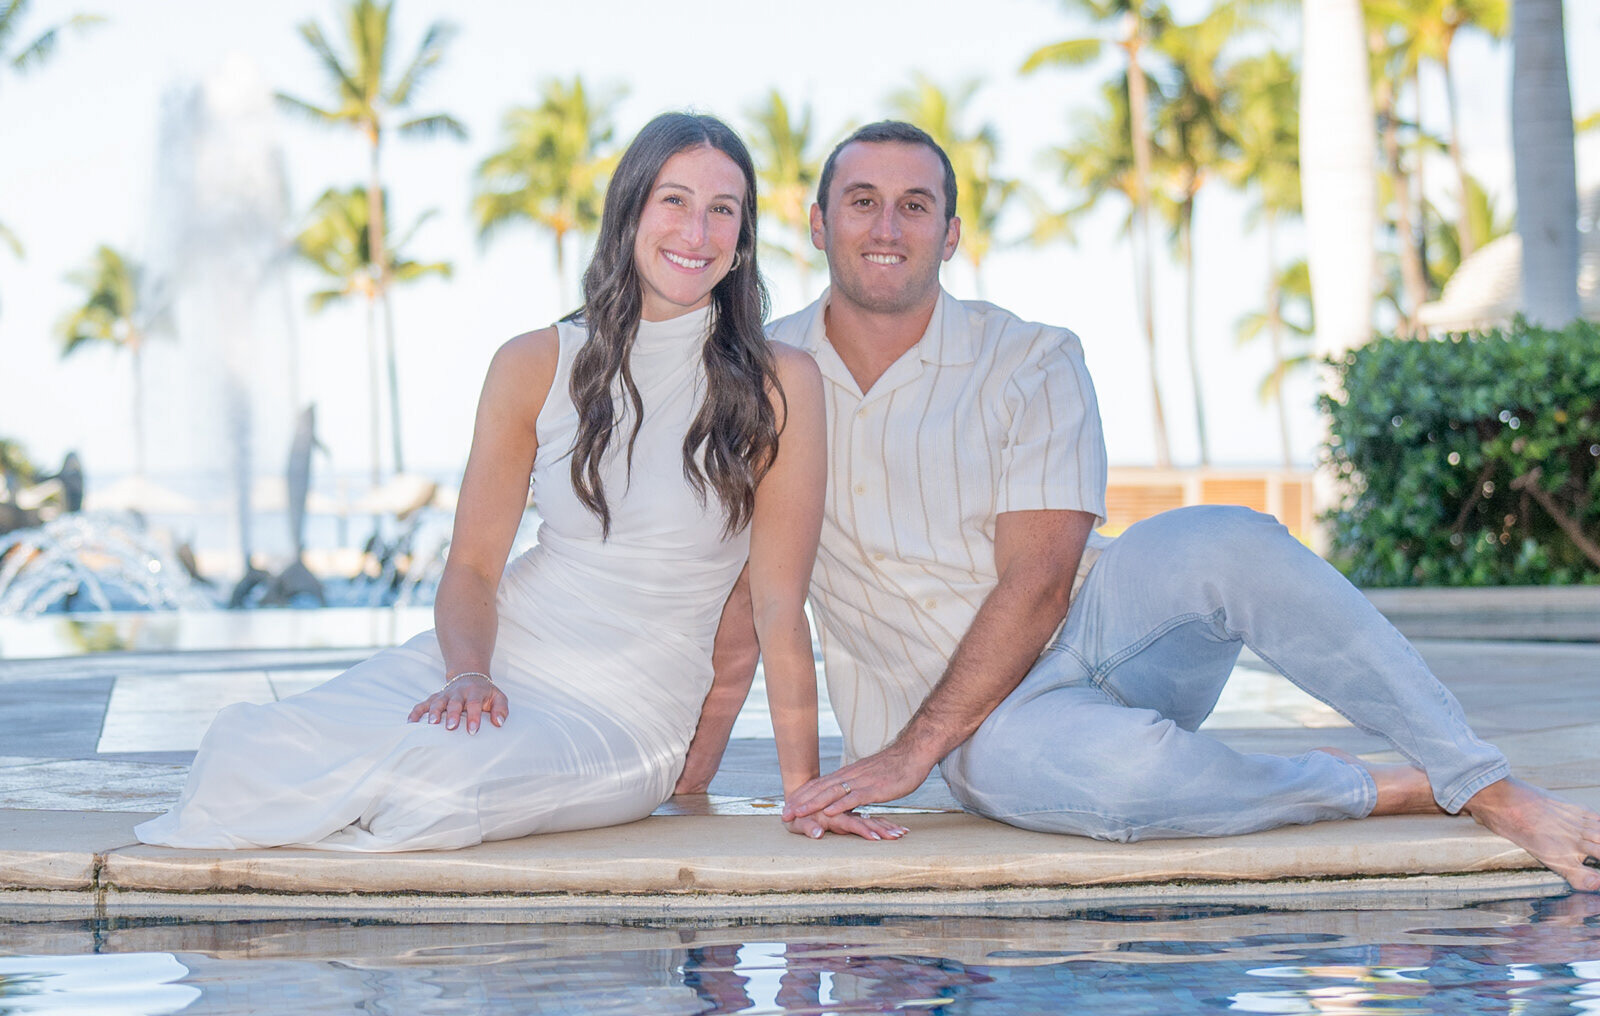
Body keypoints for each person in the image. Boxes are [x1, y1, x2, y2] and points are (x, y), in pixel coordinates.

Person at [676, 120, 1600, 893]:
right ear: (816, 223)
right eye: (863, 200)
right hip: (981, 735)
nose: (888, 224)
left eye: (915, 204)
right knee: (1111, 780)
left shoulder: (1031, 357)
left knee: (1230, 537)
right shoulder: (762, 381)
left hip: (1102, 638)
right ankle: (1381, 787)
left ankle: (1481, 779)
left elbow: (1040, 580)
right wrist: (694, 784)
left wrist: (908, 753)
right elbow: (747, 599)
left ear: (950, 233)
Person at [135, 113, 905, 852]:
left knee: (439, 787)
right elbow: (471, 567)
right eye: (674, 201)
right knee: (251, 751)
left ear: (743, 240)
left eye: (722, 210)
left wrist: (805, 789)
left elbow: (776, 603)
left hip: (626, 713)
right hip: (499, 660)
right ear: (630, 213)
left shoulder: (781, 383)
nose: (696, 233)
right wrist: (467, 674)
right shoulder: (534, 362)